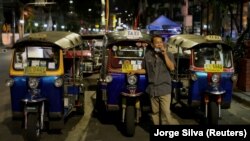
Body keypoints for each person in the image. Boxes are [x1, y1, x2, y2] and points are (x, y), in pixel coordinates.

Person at [130, 35, 179, 125]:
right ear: (152, 45)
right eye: (157, 43)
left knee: (165, 113)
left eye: (161, 42)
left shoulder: (169, 55)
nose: (159, 44)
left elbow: (172, 68)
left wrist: (164, 55)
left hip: (164, 88)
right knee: (155, 113)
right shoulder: (148, 56)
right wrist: (135, 71)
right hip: (152, 89)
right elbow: (145, 70)